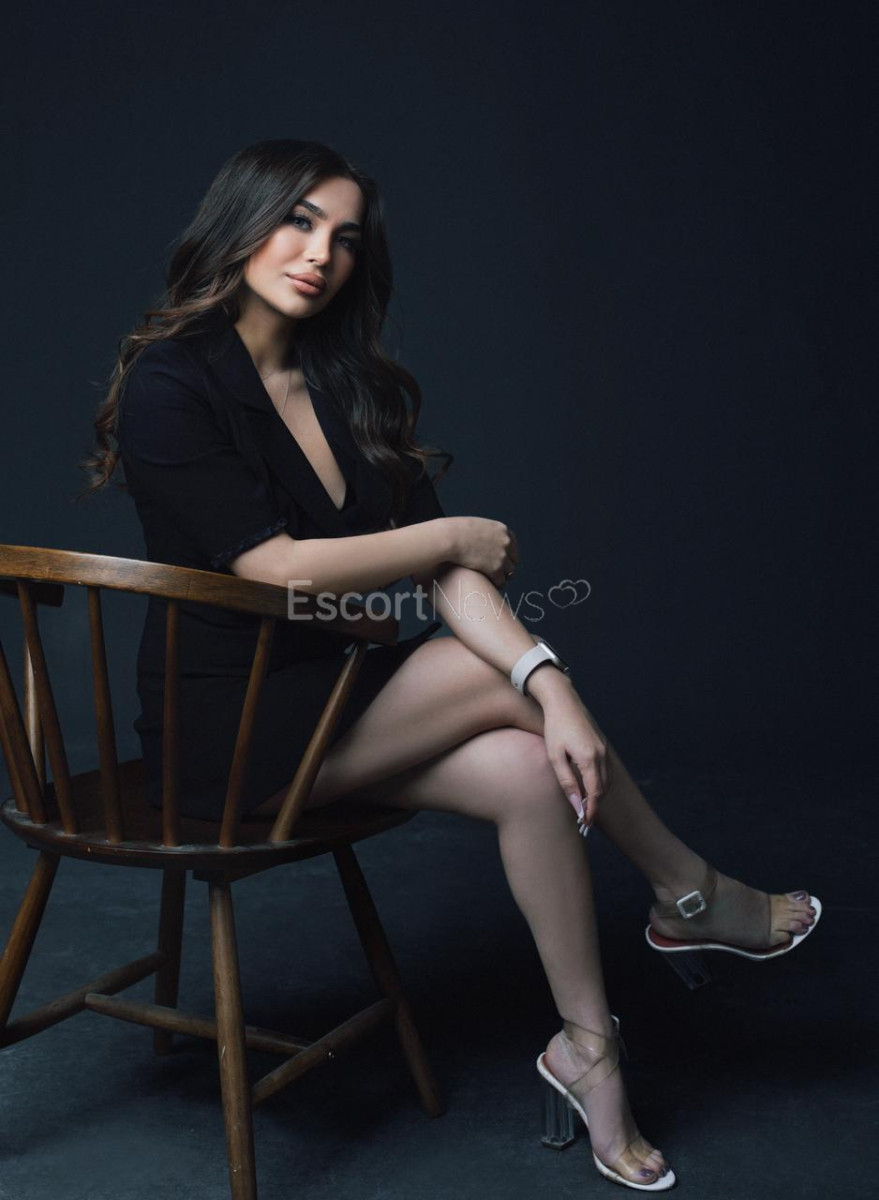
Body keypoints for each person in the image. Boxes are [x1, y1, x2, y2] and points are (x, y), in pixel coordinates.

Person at [80, 138, 820, 1192]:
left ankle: (589, 1052)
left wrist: (549, 686)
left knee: (528, 770)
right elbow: (275, 567)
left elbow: (448, 580)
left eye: (344, 238)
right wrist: (456, 547)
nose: (318, 254)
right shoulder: (174, 379)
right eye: (297, 221)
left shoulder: (345, 385)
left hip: (333, 705)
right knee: (492, 682)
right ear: (240, 221)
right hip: (224, 735)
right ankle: (688, 895)